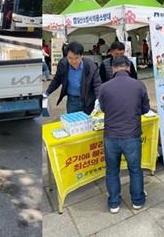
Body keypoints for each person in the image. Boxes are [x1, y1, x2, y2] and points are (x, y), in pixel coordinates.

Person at [99, 56, 150, 213]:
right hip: (132, 135)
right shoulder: (139, 85)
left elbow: (103, 109)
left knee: (112, 170)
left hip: (111, 136)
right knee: (135, 169)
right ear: (128, 67)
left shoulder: (104, 87)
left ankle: (114, 203)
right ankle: (137, 201)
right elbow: (146, 109)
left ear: (113, 68)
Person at [45, 42, 101, 114]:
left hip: (88, 99)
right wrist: (47, 93)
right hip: (72, 100)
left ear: (82, 56)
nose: (73, 61)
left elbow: (97, 83)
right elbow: (57, 79)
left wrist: (98, 99)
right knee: (72, 122)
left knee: (88, 122)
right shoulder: (63, 64)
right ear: (66, 56)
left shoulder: (90, 65)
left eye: (76, 58)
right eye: (70, 58)